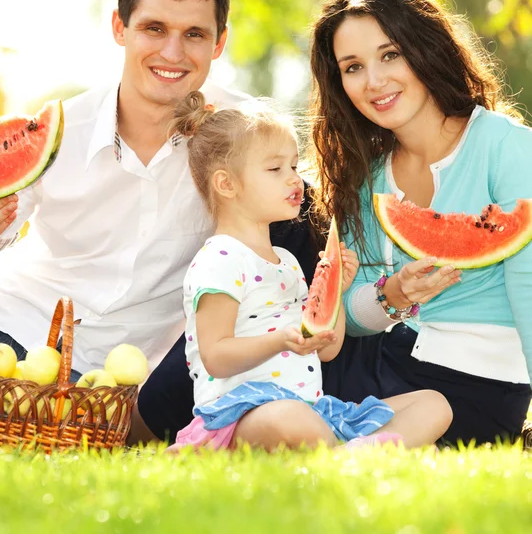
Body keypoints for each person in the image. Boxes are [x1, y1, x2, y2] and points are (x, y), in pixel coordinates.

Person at [0, 0, 316, 444]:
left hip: (92, 386)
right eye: (154, 28)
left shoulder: (246, 139)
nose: (173, 53)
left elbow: (301, 221)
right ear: (120, 27)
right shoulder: (60, 131)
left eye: (193, 34)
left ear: (219, 42)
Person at [308, 0, 532, 446]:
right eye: (352, 67)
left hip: (475, 383)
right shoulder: (367, 178)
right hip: (380, 366)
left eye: (390, 55)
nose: (374, 81)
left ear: (425, 47)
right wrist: (393, 293)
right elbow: (346, 314)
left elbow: (528, 287)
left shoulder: (506, 148)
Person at [163, 90, 452, 451]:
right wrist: (280, 340)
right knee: (288, 419)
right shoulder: (220, 258)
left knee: (433, 404)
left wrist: (337, 293)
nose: (294, 179)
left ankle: (351, 458)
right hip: (240, 416)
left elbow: (325, 350)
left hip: (311, 409)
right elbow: (216, 356)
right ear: (226, 184)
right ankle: (370, 452)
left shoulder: (285, 260)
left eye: (295, 167)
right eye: (275, 169)